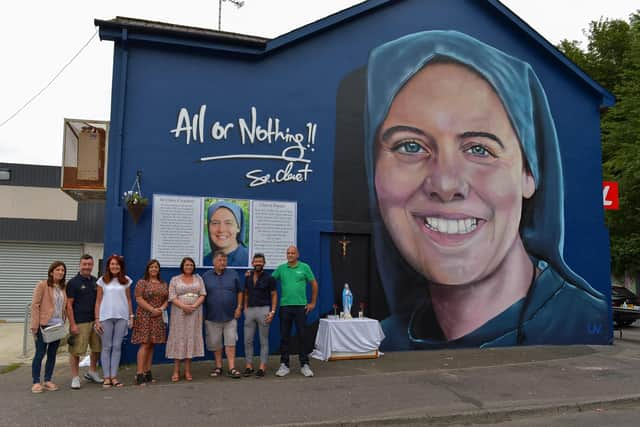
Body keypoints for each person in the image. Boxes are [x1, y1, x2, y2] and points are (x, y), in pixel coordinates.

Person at [364, 30, 608, 350]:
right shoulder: (385, 341)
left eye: (480, 149)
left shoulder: (584, 323)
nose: (446, 184)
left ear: (529, 173)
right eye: (410, 146)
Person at [273, 246, 318, 378]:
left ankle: (304, 365)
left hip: (301, 307)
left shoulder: (305, 267)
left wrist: (313, 302)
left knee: (302, 336)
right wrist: (251, 274)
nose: (290, 255)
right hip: (285, 307)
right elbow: (269, 280)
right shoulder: (281, 268)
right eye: (288, 253)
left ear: (297, 254)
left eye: (293, 253)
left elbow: (314, 284)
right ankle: (284, 365)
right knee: (284, 337)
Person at [202, 250, 243, 379]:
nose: (223, 262)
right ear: (213, 261)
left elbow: (240, 292)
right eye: (220, 260)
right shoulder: (205, 276)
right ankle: (219, 366)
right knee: (216, 343)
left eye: (224, 260)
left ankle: (232, 367)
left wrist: (239, 307)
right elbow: (201, 295)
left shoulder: (233, 274)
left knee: (230, 342)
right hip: (212, 316)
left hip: (230, 316)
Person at [95, 254, 133, 388]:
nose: (114, 266)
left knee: (117, 346)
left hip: (122, 317)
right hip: (105, 317)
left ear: (121, 266)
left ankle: (114, 377)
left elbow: (128, 299)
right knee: (107, 347)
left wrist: (131, 316)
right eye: (112, 264)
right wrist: (97, 319)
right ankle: (106, 377)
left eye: (117, 264)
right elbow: (98, 301)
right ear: (108, 266)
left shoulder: (126, 280)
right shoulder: (102, 281)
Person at [165, 257, 206, 382]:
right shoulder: (175, 279)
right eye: (186, 265)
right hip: (179, 313)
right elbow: (171, 296)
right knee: (179, 338)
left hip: (195, 313)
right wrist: (184, 306)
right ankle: (176, 371)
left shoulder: (198, 279)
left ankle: (188, 371)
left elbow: (203, 294)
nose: (189, 267)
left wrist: (193, 306)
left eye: (191, 265)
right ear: (182, 266)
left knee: (190, 337)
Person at [66, 254, 102, 390]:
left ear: (93, 265)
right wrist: (73, 324)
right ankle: (75, 377)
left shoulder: (95, 281)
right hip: (79, 322)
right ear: (79, 265)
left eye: (89, 264)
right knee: (76, 351)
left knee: (96, 348)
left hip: (95, 321)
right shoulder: (73, 283)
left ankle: (92, 372)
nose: (87, 267)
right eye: (84, 264)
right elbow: (69, 305)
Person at [30, 261, 67, 393]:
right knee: (40, 353)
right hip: (44, 325)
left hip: (57, 325)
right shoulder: (43, 285)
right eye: (58, 270)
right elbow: (35, 305)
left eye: (63, 270)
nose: (60, 272)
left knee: (52, 354)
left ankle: (47, 380)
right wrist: (34, 325)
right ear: (51, 272)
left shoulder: (63, 288)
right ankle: (35, 381)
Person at [131, 259, 169, 386]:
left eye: (156, 267)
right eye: (151, 267)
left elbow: (166, 300)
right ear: (148, 269)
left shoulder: (163, 283)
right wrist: (152, 309)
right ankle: (139, 374)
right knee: (145, 344)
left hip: (158, 316)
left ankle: (147, 372)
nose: (154, 269)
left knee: (152, 344)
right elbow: (138, 298)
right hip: (145, 316)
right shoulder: (142, 282)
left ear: (159, 269)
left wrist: (161, 309)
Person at [242, 253, 277, 377]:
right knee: (248, 340)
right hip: (250, 311)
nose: (258, 263)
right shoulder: (247, 277)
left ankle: (262, 367)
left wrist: (272, 311)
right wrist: (245, 308)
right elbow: (245, 293)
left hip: (264, 310)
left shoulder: (269, 278)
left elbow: (274, 295)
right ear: (252, 263)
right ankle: (249, 366)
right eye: (256, 261)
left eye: (260, 261)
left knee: (263, 341)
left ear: (264, 263)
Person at [203, 201, 249, 267]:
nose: (221, 229)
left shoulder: (251, 259)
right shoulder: (205, 262)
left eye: (228, 223)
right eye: (215, 223)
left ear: (238, 227)